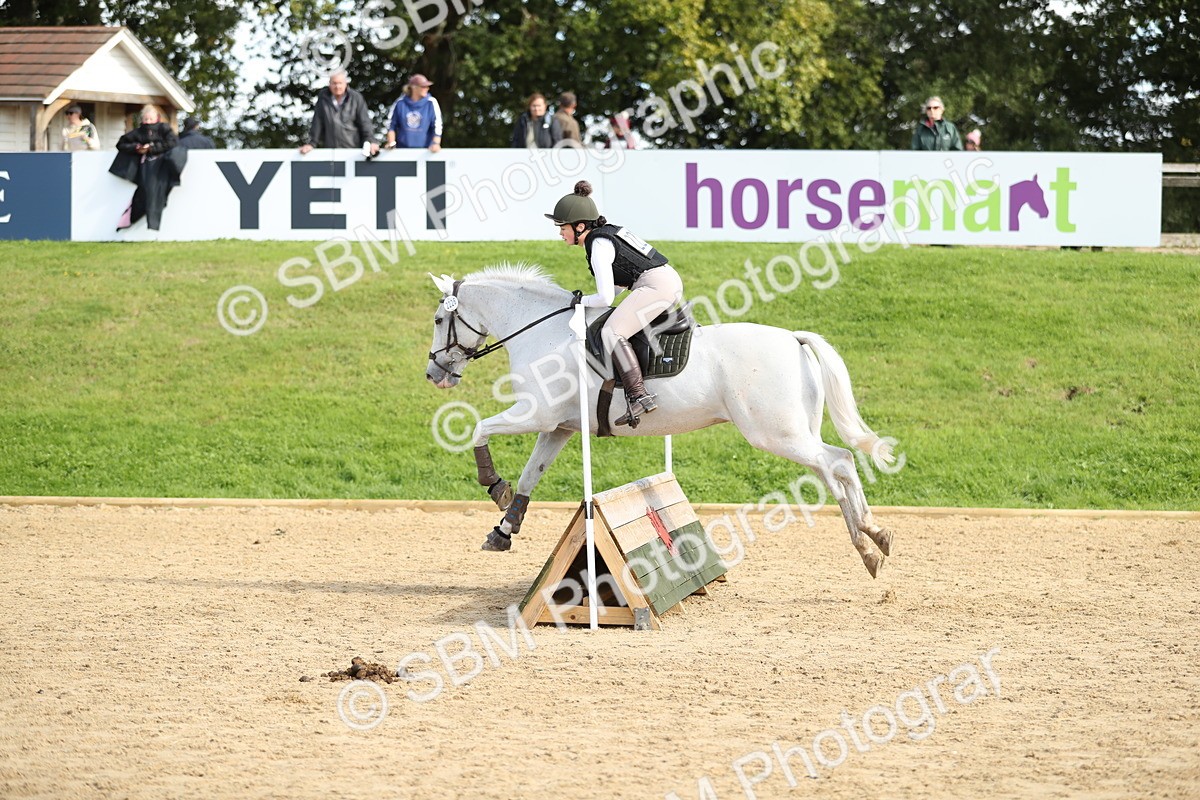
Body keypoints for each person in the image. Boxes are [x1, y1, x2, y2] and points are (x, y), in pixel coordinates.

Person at [546, 181, 683, 427]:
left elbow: (605, 298)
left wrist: (580, 301)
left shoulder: (597, 244)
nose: (560, 233)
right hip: (662, 280)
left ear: (579, 226)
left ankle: (638, 395)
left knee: (612, 332)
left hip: (654, 284)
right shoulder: (606, 235)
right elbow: (619, 285)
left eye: (562, 227)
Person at [109, 104, 185, 231]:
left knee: (158, 193)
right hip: (146, 169)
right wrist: (137, 148)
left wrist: (152, 148)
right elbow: (121, 143)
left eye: (150, 119)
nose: (148, 122)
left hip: (162, 167)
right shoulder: (139, 132)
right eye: (146, 119)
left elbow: (172, 143)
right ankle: (129, 220)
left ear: (157, 118)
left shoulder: (164, 129)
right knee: (144, 193)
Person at [299, 71, 379, 155]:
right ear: (329, 84)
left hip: (353, 151)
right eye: (334, 83)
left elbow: (365, 122)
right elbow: (317, 122)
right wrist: (312, 143)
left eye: (340, 83)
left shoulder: (356, 98)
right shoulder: (323, 98)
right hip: (331, 152)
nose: (337, 86)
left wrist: (371, 141)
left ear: (346, 84)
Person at [385, 74, 443, 152]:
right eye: (423, 86)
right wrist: (391, 142)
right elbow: (391, 125)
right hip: (402, 151)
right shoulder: (400, 103)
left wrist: (436, 143)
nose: (427, 88)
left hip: (425, 152)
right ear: (414, 87)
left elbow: (437, 125)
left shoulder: (431, 102)